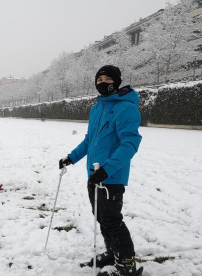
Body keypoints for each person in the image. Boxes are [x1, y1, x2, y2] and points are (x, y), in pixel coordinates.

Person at [59, 65, 142, 276]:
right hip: (93, 174)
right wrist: (71, 158)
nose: (102, 83)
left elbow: (129, 143)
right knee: (101, 217)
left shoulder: (127, 108)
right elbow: (89, 141)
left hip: (111, 176)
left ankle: (126, 265)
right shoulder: (96, 108)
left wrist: (107, 169)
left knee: (112, 220)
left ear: (116, 82)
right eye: (99, 79)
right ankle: (112, 252)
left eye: (106, 79)